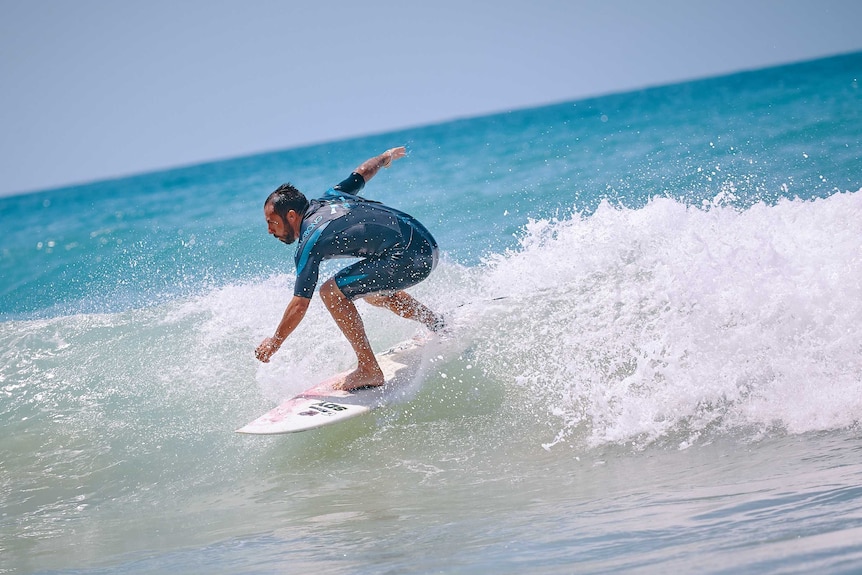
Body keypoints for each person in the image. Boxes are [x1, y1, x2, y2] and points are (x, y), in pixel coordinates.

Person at [255, 146, 443, 390]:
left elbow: (300, 304)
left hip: (409, 259)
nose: (270, 230)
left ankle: (368, 369)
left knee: (331, 293)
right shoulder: (332, 196)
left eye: (272, 223)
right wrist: (385, 158)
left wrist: (274, 342)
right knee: (372, 294)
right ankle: (436, 323)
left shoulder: (309, 241)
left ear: (291, 216)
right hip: (427, 246)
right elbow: (363, 172)